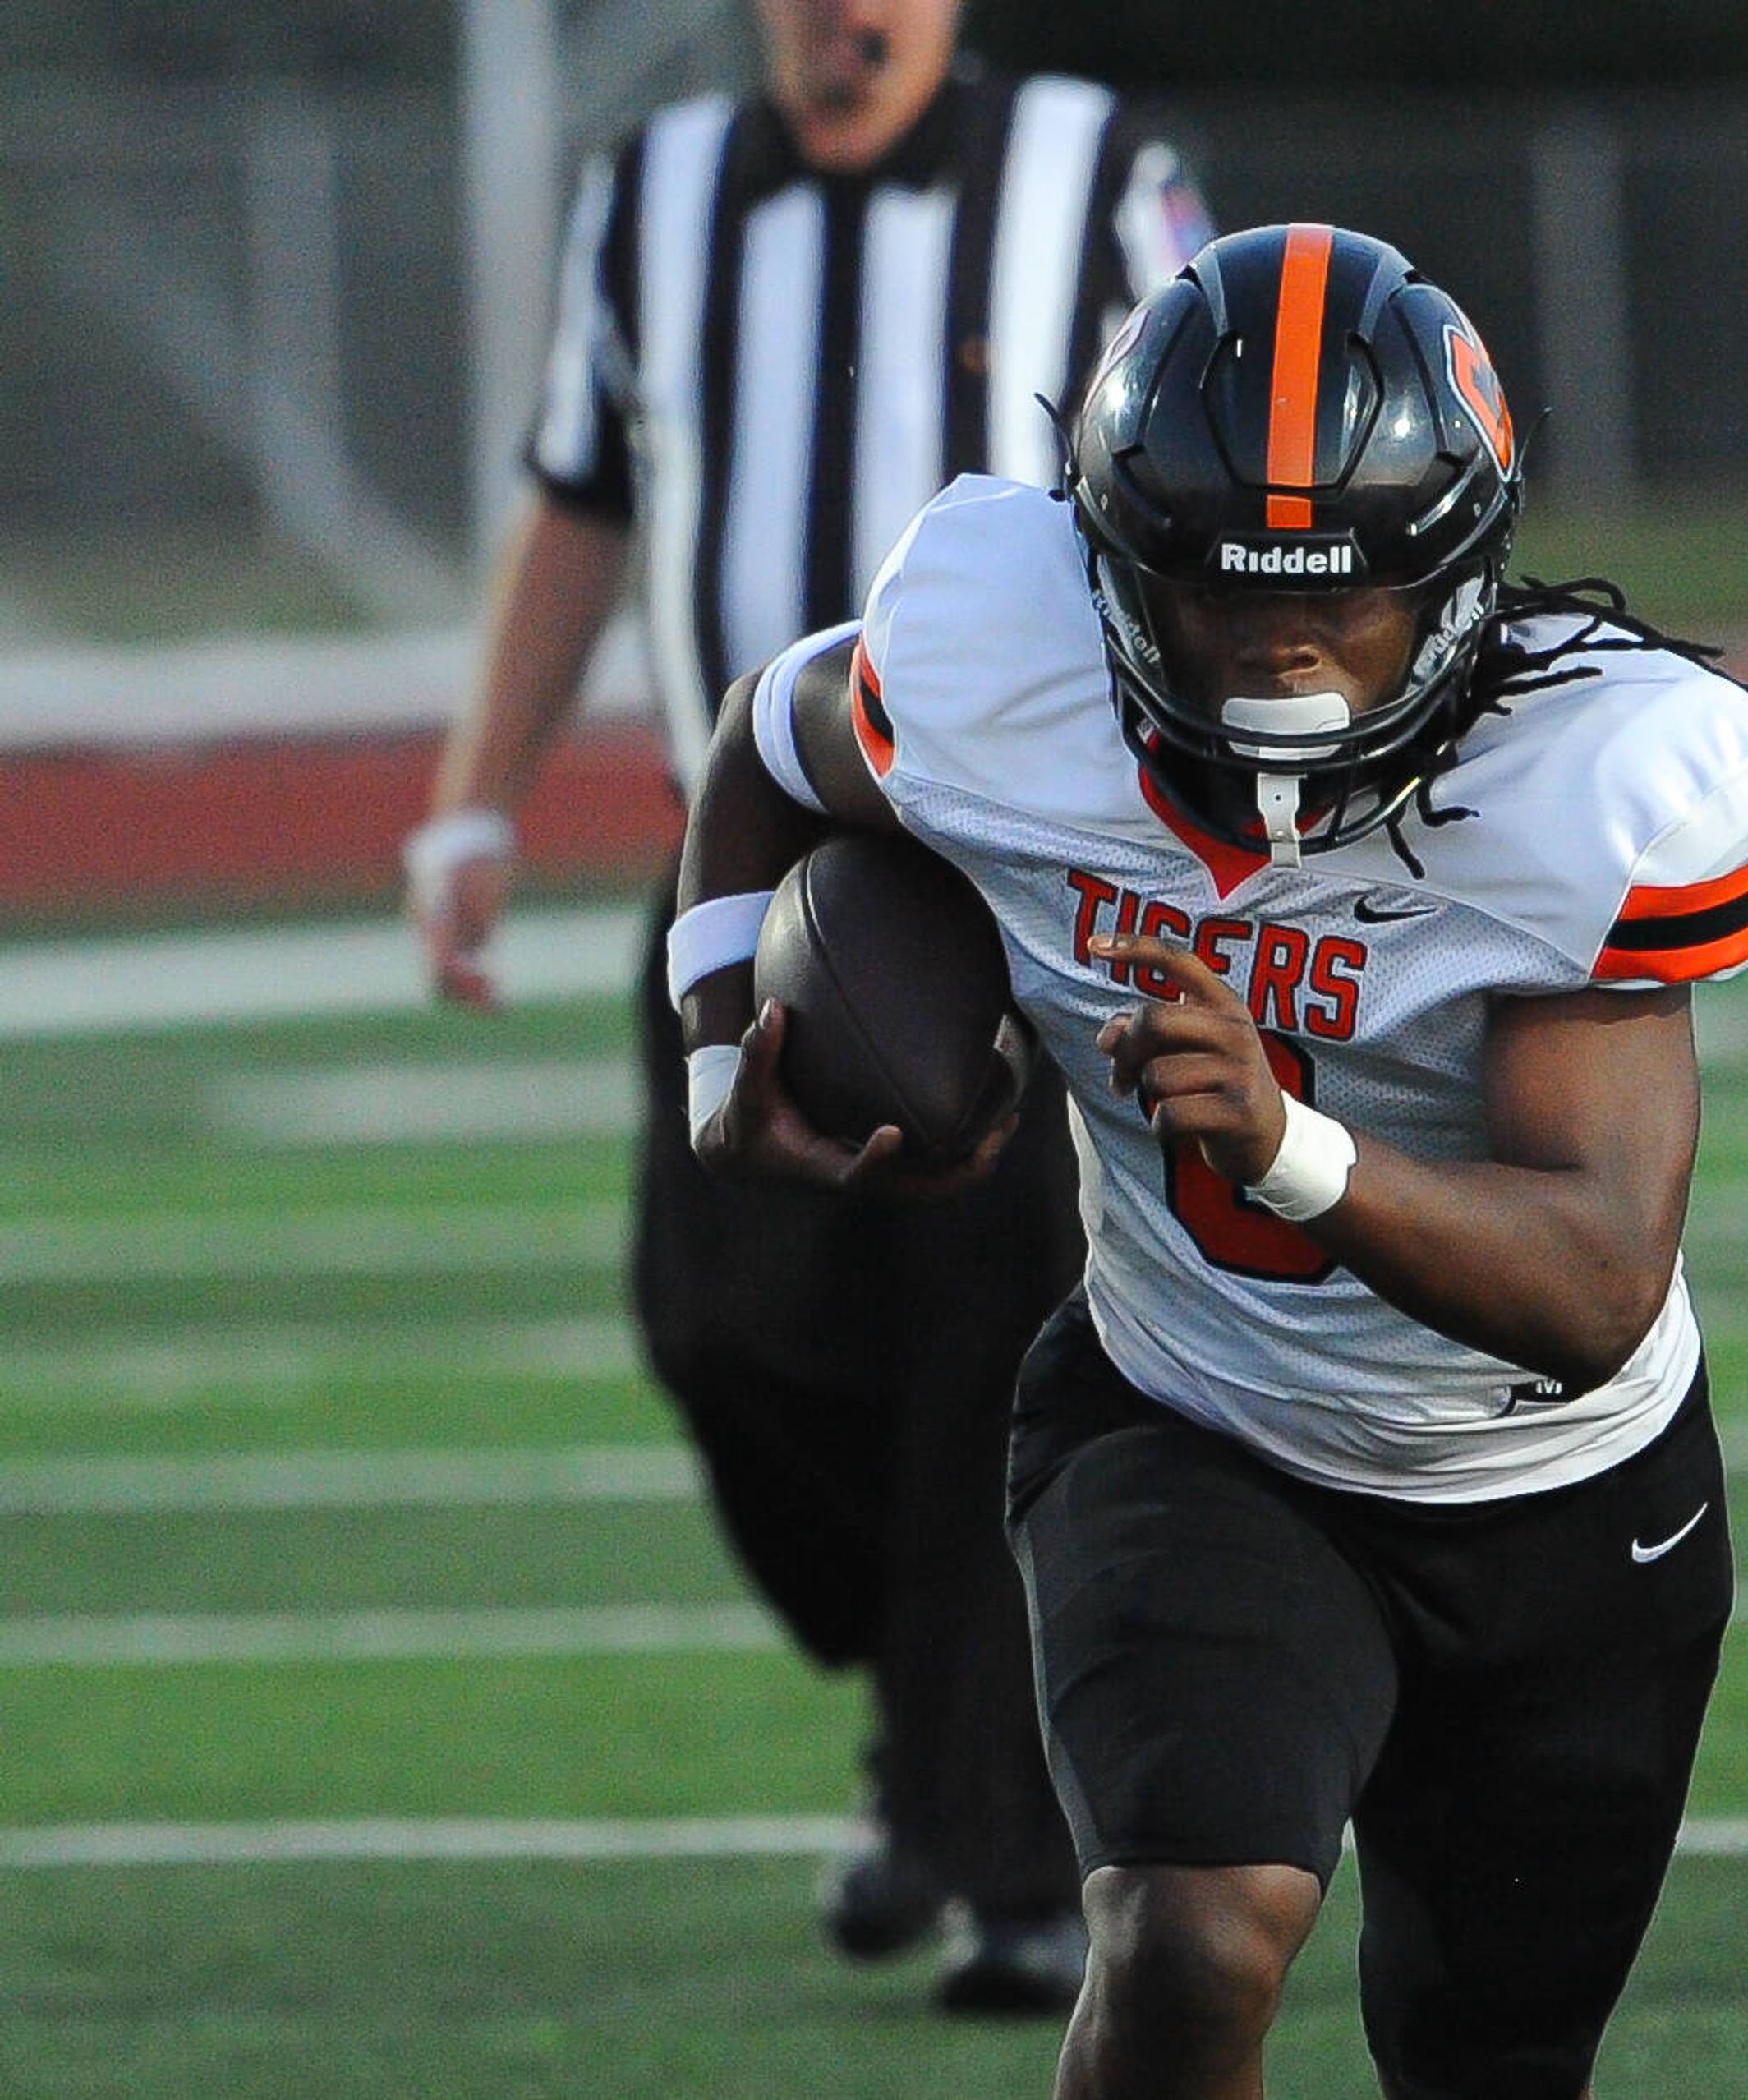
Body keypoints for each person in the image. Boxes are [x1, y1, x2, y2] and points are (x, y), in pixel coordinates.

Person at [669, 223, 1748, 2099]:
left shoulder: (1588, 782)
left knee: (1490, 2059)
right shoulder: (1007, 671)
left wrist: (1293, 1149)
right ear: (1115, 571)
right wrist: (726, 1034)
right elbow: (766, 747)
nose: (1281, 652)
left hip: (1557, 1504)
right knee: (1193, 1940)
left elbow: (1600, 1287)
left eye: (1345, 600)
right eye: (1217, 596)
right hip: (1193, 1426)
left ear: (1458, 578)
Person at [402, 0, 1210, 2014]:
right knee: (727, 1333)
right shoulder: (650, 194)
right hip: (734, 875)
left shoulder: (1095, 175)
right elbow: (580, 500)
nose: (852, 16)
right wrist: (472, 802)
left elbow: (1204, 490)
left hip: (1000, 880)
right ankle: (930, 1744)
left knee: (988, 1361)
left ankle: (1006, 1865)